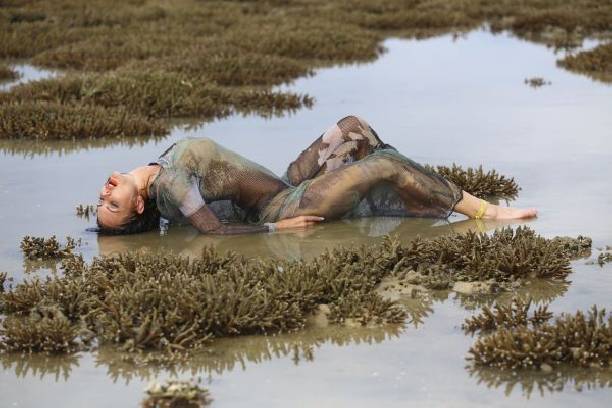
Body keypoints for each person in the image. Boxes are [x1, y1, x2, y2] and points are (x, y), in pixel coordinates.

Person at [96, 115, 537, 235]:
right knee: (384, 165)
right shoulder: (169, 184)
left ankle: (411, 197)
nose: (106, 193)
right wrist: (276, 227)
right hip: (286, 204)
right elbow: (213, 232)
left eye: (103, 202)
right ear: (138, 204)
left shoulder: (161, 174)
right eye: (113, 205)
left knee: (352, 129)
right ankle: (485, 212)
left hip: (287, 184)